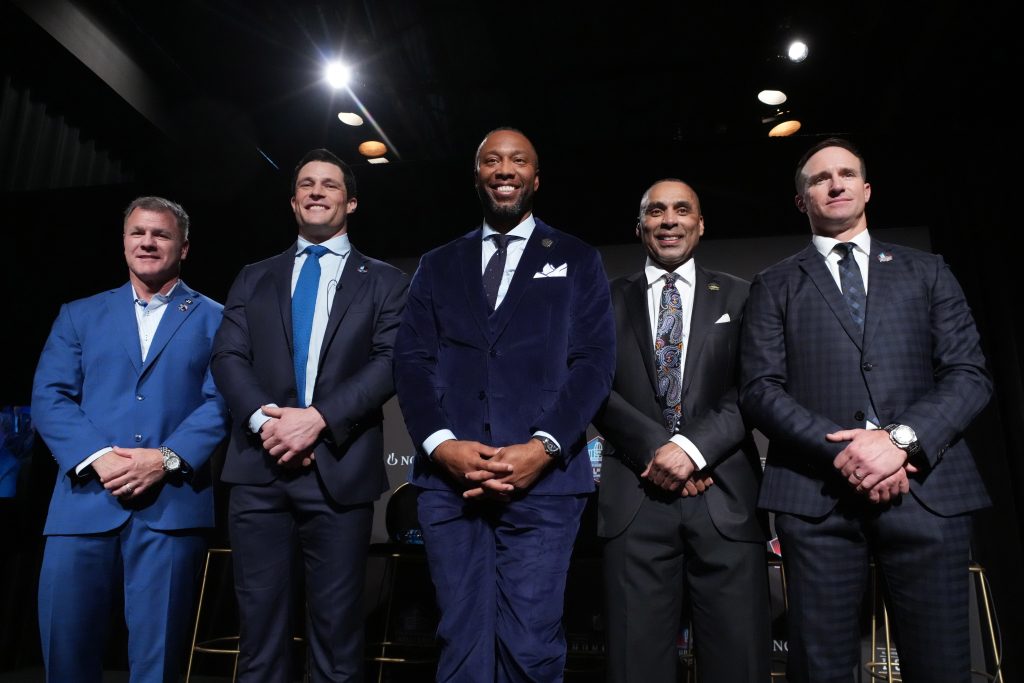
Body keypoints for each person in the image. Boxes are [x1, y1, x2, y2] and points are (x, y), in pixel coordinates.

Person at [739, 137, 992, 683]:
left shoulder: (928, 271)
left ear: (867, 189)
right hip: (818, 497)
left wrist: (898, 442)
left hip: (928, 491)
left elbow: (969, 374)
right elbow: (760, 390)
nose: (835, 184)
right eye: (819, 179)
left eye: (847, 174)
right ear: (801, 200)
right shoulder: (774, 284)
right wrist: (850, 453)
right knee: (822, 668)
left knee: (942, 665)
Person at [393, 127, 616, 682]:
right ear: (477, 176)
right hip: (449, 484)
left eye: (518, 160)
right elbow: (411, 362)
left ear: (536, 178)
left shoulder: (576, 257)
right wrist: (441, 447)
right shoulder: (438, 263)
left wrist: (543, 448)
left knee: (531, 645)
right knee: (459, 640)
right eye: (492, 160)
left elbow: (593, 365)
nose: (504, 169)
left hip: (545, 483)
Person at [211, 148, 408, 681]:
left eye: (330, 184)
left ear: (351, 202)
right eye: (306, 184)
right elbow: (227, 357)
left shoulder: (386, 281)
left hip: (339, 473)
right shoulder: (253, 277)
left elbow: (391, 362)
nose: (317, 191)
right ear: (293, 200)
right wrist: (268, 425)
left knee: (338, 642)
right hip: (259, 472)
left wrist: (317, 419)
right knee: (259, 641)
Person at [31, 196, 229, 683]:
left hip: (171, 508)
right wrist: (99, 457)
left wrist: (165, 458)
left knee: (159, 665)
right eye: (138, 233)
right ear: (123, 243)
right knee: (66, 654)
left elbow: (222, 401)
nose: (148, 242)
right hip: (82, 505)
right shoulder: (79, 315)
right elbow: (50, 396)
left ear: (184, 247)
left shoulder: (218, 318)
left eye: (161, 234)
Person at [593, 179, 770, 683]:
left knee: (739, 664)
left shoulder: (742, 294)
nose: (669, 220)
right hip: (635, 497)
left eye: (681, 209)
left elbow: (755, 387)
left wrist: (692, 449)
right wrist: (660, 450)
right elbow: (591, 386)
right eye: (655, 211)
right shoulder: (601, 300)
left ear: (700, 224)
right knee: (635, 666)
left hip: (725, 498)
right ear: (639, 227)